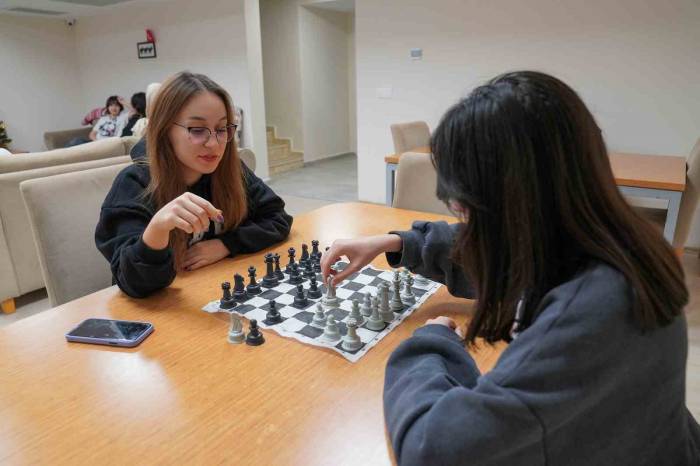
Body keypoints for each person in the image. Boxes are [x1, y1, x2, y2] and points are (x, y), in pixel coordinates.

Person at [320, 71, 700, 465]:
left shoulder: (594, 314)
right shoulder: (607, 241)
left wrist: (429, 346)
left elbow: (430, 452)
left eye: (464, 207)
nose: (464, 221)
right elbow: (504, 253)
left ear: (515, 203)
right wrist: (398, 242)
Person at [95, 71, 292, 298]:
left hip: (213, 295)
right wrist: (158, 228)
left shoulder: (231, 169)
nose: (214, 144)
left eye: (221, 129)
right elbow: (134, 284)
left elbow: (278, 218)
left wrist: (226, 245)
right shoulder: (134, 183)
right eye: (197, 130)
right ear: (165, 129)